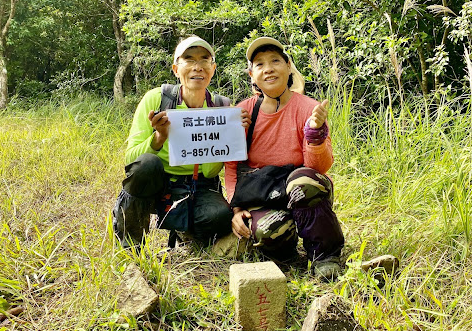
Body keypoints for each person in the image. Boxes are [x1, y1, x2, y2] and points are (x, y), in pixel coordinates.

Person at [225, 37, 345, 280]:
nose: (268, 68)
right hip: (263, 194)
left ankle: (325, 256)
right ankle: (288, 249)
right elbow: (231, 166)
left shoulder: (308, 108)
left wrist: (314, 133)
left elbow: (318, 168)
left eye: (275, 61)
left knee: (304, 182)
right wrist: (235, 209)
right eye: (259, 64)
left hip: (300, 191)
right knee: (269, 232)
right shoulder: (243, 112)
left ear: (288, 66)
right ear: (251, 75)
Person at [113, 36, 241, 249]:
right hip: (159, 180)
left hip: (200, 184)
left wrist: (228, 133)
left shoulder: (222, 107)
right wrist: (159, 138)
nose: (197, 67)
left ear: (213, 68)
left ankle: (186, 231)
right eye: (189, 60)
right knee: (145, 165)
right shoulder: (156, 99)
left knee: (218, 217)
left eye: (204, 60)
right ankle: (130, 246)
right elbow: (131, 159)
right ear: (175, 68)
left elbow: (211, 172)